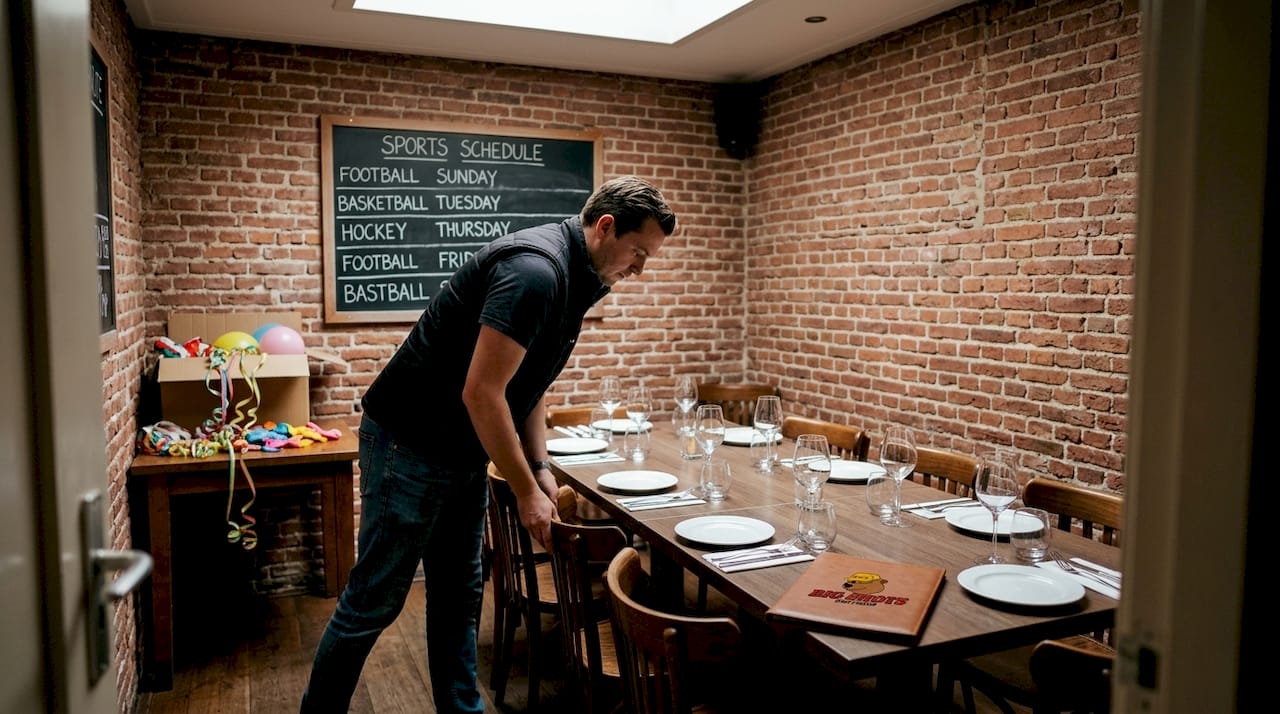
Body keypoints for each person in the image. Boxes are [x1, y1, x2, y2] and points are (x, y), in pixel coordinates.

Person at [299, 175, 677, 713]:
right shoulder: (537, 273)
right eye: (638, 253)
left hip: (462, 451)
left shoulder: (579, 275)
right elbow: (482, 393)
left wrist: (539, 464)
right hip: (409, 442)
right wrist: (525, 490)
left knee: (459, 597)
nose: (639, 269)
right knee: (373, 602)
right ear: (605, 226)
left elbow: (530, 382)